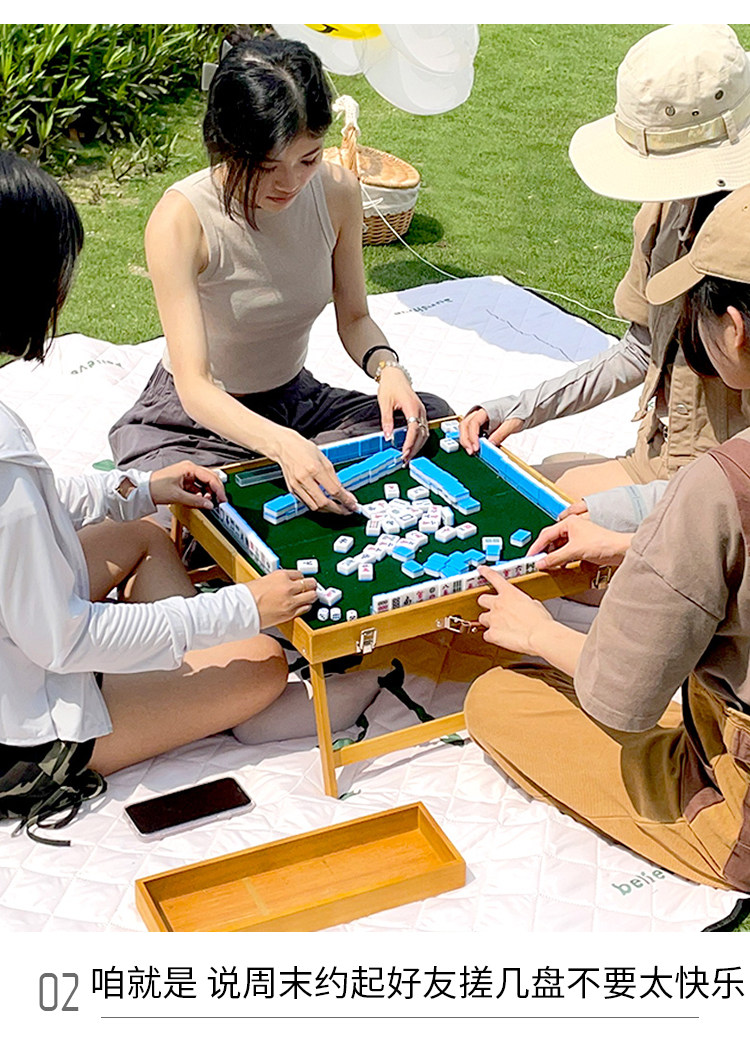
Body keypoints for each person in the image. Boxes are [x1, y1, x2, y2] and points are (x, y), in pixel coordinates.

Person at [0, 149, 319, 845]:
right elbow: (64, 639)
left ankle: (185, 681)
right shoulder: (4, 463)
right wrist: (240, 609)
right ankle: (203, 690)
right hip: (22, 732)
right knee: (263, 664)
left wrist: (141, 487)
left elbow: (33, 505)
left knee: (142, 531)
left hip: (19, 645)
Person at [464, 182, 750, 893]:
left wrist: (534, 630)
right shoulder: (712, 493)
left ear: (733, 329)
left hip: (737, 818)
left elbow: (619, 694)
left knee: (497, 695)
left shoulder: (715, 486)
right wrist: (633, 547)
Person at [109, 35, 452, 516]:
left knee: (428, 421)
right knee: (209, 508)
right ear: (227, 147)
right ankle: (276, 477)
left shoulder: (338, 192)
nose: (290, 183)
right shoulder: (181, 220)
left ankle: (287, 474)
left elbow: (355, 318)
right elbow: (195, 385)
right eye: (268, 166)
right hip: (197, 422)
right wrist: (282, 445)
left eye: (308, 160)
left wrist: (389, 370)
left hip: (295, 403)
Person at [460, 23, 750, 508]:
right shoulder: (664, 211)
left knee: (547, 525)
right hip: (660, 459)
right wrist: (522, 408)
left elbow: (723, 495)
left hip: (724, 490)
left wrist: (618, 517)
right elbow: (642, 348)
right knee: (519, 491)